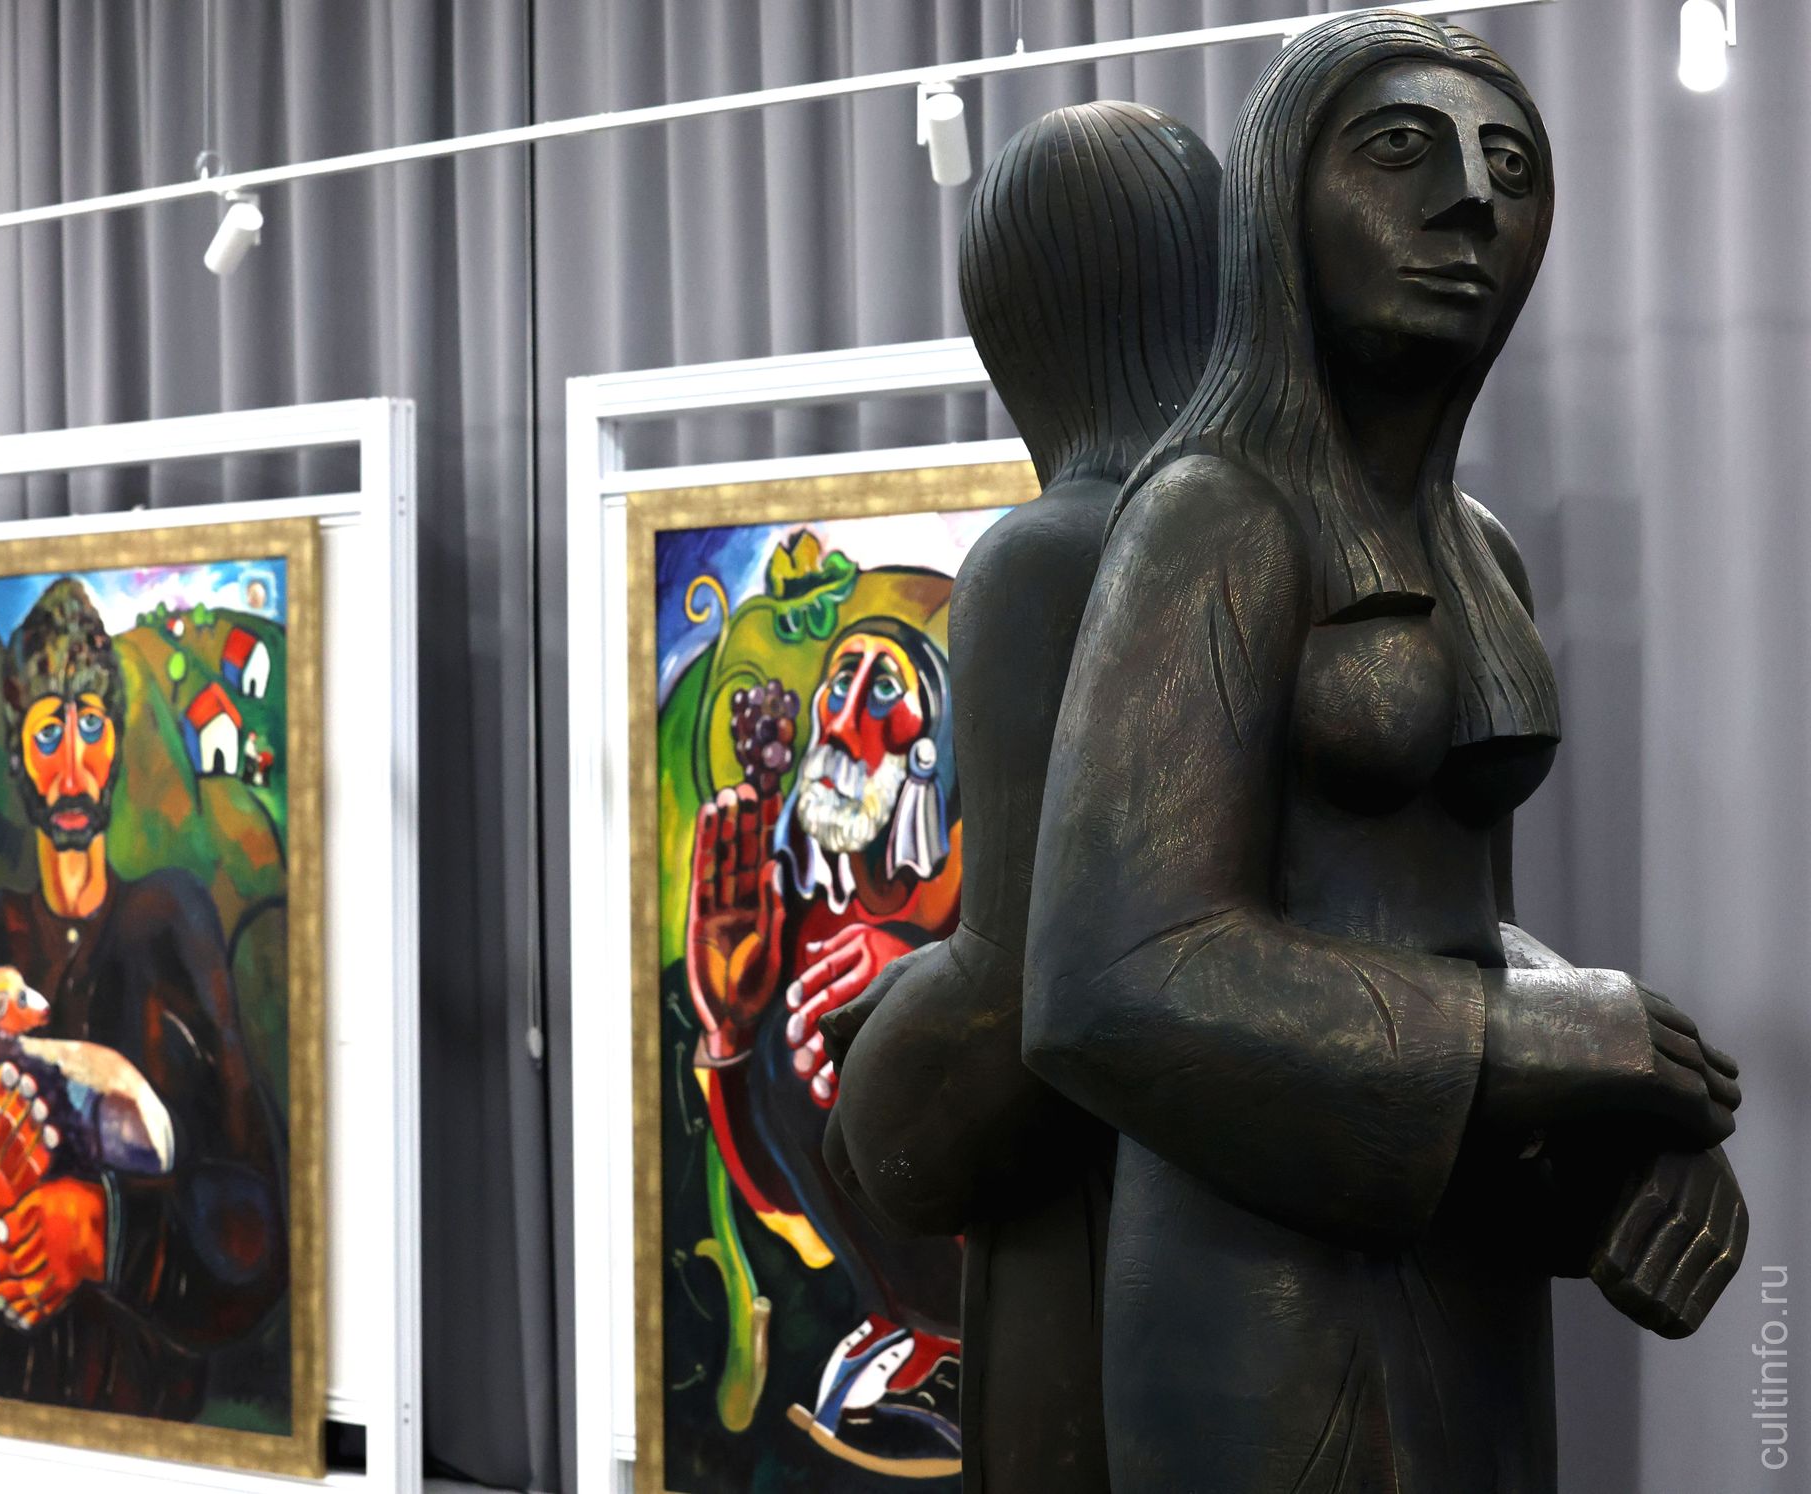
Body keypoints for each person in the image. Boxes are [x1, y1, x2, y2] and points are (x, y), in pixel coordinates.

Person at [1021, 15, 1745, 1491]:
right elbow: (1104, 978)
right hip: (1254, 1287)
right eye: (1402, 149)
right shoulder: (1210, 515)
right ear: (1279, 203)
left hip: (1455, 1252)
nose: (1471, 199)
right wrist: (1541, 1039)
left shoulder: (1479, 551)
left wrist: (1624, 1097)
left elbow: (1458, 922)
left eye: (1512, 167)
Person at [821, 100, 1220, 1493]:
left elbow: (1020, 990)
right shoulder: (1315, 537)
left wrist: (875, 1090)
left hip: (1099, 1240)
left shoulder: (1045, 560)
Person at [0, 578, 287, 1419]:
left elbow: (258, 1237)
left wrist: (107, 1232)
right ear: (17, 754)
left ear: (118, 742)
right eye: (48, 733)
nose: (73, 767)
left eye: (91, 726)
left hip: (156, 1424)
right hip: (5, 1422)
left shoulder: (170, 922)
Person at [687, 610, 964, 1474]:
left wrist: (918, 978)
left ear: (934, 744)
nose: (845, 721)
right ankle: (904, 1325)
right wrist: (729, 1029)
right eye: (840, 684)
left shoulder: (978, 886)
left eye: (883, 691)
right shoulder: (798, 913)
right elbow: (782, 1202)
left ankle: (950, 1341)